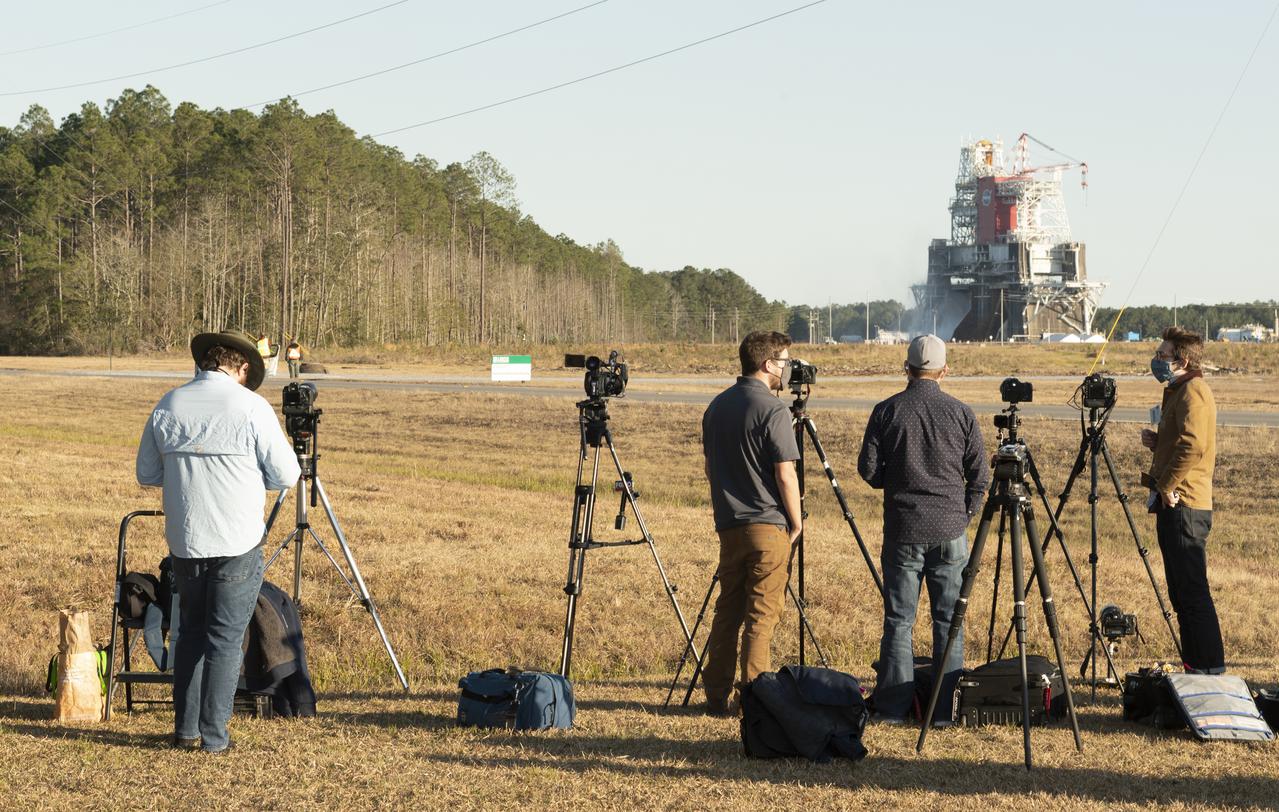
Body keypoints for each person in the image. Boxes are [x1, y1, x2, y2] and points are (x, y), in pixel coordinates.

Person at [136, 329, 301, 753]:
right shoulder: (251, 407)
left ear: (206, 361)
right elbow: (286, 475)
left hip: (186, 543)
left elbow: (147, 474)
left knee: (189, 634)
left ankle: (185, 732)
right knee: (225, 639)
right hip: (238, 542)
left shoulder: (168, 404)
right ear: (242, 367)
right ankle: (214, 738)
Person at [857, 334, 988, 724]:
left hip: (903, 528)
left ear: (907, 369)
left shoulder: (886, 411)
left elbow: (867, 469)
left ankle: (894, 707)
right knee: (949, 621)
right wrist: (964, 514)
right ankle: (944, 710)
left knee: (899, 620)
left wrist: (893, 483)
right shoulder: (962, 413)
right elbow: (979, 476)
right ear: (944, 371)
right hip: (950, 530)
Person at [700, 330, 803, 716]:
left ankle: (715, 693)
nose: (788, 370)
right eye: (785, 362)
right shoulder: (773, 410)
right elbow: (785, 473)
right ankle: (753, 698)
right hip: (767, 525)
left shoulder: (716, 406)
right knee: (762, 614)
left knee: (728, 611)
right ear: (767, 364)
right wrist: (795, 522)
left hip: (729, 525)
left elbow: (711, 468)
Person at [1140, 326, 1222, 674]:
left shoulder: (1194, 391)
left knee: (1192, 591)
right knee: (1180, 594)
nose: (1157, 360)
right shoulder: (1177, 390)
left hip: (1184, 503)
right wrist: (1159, 443)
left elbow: (1194, 446)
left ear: (1181, 360)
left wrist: (1166, 485)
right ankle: (1195, 667)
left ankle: (1210, 668)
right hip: (1173, 501)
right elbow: (1181, 441)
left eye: (1163, 354)